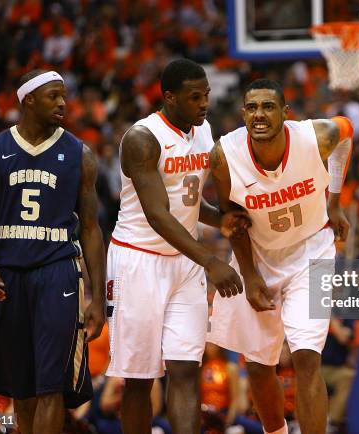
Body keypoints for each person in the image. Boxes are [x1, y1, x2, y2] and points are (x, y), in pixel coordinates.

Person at [106, 58, 248, 434]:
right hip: (139, 261)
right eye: (194, 97)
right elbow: (158, 214)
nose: (204, 104)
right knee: (139, 378)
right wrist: (212, 262)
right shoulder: (142, 139)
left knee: (186, 368)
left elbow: (187, 201)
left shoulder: (202, 131)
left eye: (207, 95)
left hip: (183, 263)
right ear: (169, 97)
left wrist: (221, 219)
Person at [208, 79, 353, 434]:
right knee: (258, 365)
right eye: (252, 107)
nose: (259, 114)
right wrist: (250, 275)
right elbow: (233, 221)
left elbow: (346, 134)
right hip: (259, 255)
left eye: (268, 106)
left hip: (313, 250)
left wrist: (334, 200)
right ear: (243, 113)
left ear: (285, 113)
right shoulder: (224, 155)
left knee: (306, 358)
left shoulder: (313, 137)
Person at [0, 69, 106, 434]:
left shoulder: (80, 154)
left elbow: (92, 229)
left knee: (52, 388)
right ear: (28, 100)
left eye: (64, 95)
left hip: (57, 272)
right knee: (22, 389)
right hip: (9, 275)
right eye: (53, 96)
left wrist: (97, 298)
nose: (63, 103)